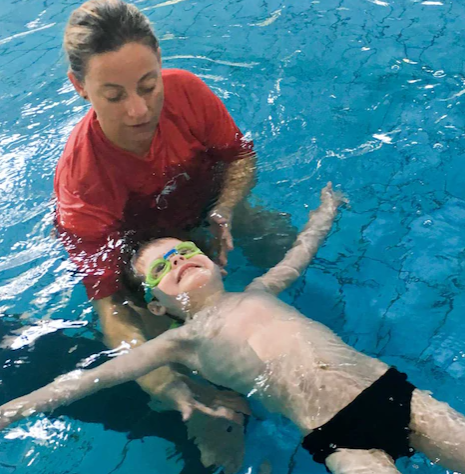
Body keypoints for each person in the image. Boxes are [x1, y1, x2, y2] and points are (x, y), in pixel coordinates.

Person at [0, 184, 465, 474]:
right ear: (158, 307)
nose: (180, 262)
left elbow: (300, 255)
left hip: (393, 394)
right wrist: (7, 412)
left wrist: (324, 214)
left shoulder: (260, 288)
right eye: (164, 270)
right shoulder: (178, 342)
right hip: (337, 438)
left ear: (213, 257)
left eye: (182, 251)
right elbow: (85, 382)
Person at [53, 1, 293, 469]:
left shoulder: (187, 93)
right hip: (141, 253)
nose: (140, 110)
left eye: (148, 85)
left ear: (162, 64)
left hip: (204, 205)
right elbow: (112, 308)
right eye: (115, 95)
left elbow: (239, 160)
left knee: (279, 244)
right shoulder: (82, 185)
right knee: (199, 388)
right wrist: (165, 382)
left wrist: (226, 209)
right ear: (79, 88)